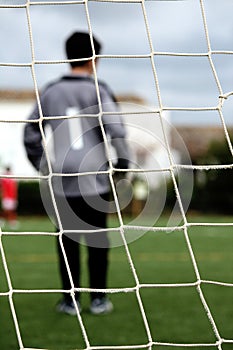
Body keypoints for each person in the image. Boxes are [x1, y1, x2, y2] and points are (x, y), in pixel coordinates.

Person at [24, 31, 130, 315]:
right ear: (95, 59)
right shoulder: (99, 89)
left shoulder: (50, 91)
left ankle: (70, 301)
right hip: (94, 180)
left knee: (67, 241)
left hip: (61, 181)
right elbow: (117, 130)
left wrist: (44, 165)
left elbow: (31, 132)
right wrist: (122, 167)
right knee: (98, 241)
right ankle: (98, 300)